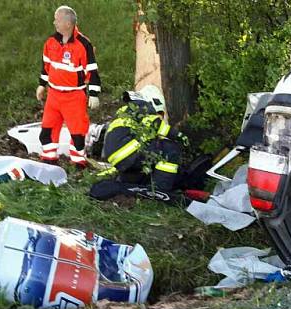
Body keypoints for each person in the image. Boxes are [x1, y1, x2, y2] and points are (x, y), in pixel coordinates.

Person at [36, 5, 100, 166]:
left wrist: (93, 94)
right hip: (54, 95)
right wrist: (42, 85)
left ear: (68, 24)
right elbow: (46, 65)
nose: (54, 23)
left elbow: (92, 70)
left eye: (57, 20)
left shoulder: (83, 44)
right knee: (47, 131)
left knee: (78, 133)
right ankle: (49, 160)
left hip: (74, 96)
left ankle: (78, 163)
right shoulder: (51, 42)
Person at [98, 85, 189, 193]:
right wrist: (179, 136)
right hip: (128, 151)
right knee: (170, 150)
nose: (158, 116)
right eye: (158, 112)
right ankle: (160, 191)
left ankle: (131, 183)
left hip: (119, 155)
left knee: (150, 153)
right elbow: (156, 125)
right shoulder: (143, 107)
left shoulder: (129, 112)